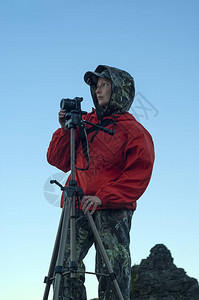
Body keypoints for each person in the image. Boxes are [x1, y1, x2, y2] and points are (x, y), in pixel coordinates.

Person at [47, 65, 155, 300]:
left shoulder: (134, 131)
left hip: (112, 210)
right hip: (77, 206)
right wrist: (66, 129)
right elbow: (58, 159)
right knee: (65, 267)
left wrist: (104, 196)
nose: (98, 90)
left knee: (112, 270)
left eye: (105, 84)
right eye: (96, 86)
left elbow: (138, 174)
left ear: (120, 90)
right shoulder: (84, 123)